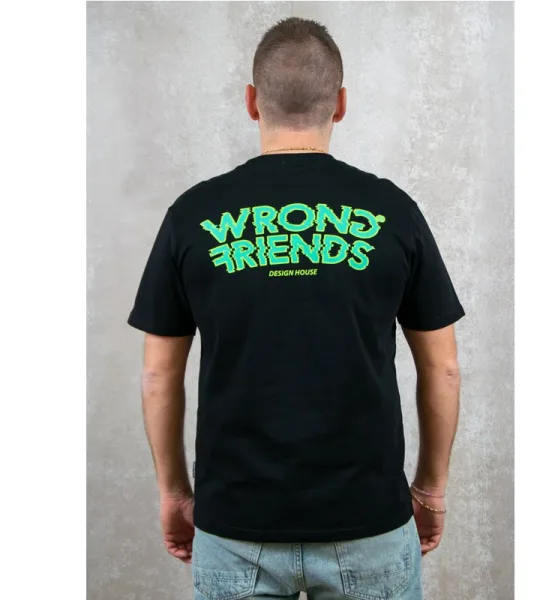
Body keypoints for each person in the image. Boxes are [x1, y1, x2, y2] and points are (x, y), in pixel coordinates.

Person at [128, 16, 464, 600]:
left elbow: (159, 375)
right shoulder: (393, 211)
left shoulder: (192, 215)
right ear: (341, 104)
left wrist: (175, 492)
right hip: (369, 520)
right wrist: (430, 490)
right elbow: (444, 369)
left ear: (251, 102)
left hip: (236, 524)